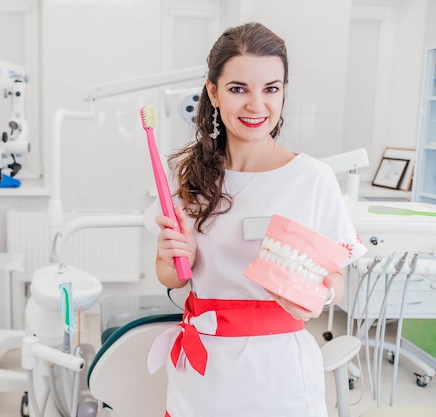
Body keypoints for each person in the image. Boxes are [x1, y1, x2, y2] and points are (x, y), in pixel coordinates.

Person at [143, 22, 367, 417]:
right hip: (203, 371)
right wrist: (179, 256)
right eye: (238, 89)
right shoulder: (187, 176)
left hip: (279, 372)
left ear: (283, 92)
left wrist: (316, 299)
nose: (256, 105)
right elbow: (171, 276)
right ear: (212, 91)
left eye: (271, 89)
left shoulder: (312, 178)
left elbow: (337, 281)